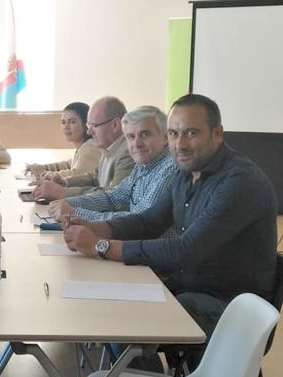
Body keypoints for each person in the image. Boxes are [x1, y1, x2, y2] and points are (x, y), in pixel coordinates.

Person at [62, 94, 277, 345]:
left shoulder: (239, 182)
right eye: (174, 134)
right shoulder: (187, 171)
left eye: (191, 133)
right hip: (188, 287)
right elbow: (150, 221)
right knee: (108, 304)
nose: (180, 144)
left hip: (229, 307)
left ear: (217, 133)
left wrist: (102, 246)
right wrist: (96, 228)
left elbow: (185, 250)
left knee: (119, 321)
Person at [49, 106, 177, 231]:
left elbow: (140, 220)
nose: (137, 144)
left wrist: (75, 213)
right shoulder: (143, 166)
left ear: (165, 138)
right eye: (131, 137)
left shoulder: (169, 169)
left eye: (145, 134)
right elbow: (113, 198)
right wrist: (68, 203)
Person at [33, 96, 134, 201]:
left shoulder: (127, 153)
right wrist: (63, 183)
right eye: (88, 125)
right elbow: (93, 178)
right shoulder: (109, 148)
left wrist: (62, 192)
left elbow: (113, 196)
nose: (89, 131)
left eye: (94, 125)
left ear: (115, 125)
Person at [26, 102, 103, 181]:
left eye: (72, 122)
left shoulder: (91, 148)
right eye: (63, 122)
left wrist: (43, 173)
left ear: (85, 125)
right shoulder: (84, 147)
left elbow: (76, 175)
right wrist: (43, 167)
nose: (66, 127)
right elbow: (69, 164)